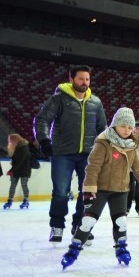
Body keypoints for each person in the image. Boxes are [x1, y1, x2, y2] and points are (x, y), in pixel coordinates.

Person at [60, 107, 139, 270]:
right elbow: (93, 167)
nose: (127, 130)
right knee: (88, 221)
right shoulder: (103, 143)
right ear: (115, 125)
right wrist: (89, 189)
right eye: (123, 126)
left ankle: (121, 248)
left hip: (121, 190)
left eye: (130, 127)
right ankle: (73, 249)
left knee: (121, 222)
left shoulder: (132, 146)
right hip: (100, 190)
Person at [34, 64, 107, 242]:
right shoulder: (58, 99)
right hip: (62, 154)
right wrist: (44, 140)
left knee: (88, 192)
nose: (84, 82)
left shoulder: (95, 102)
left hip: (88, 155)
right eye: (81, 78)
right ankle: (57, 226)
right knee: (60, 192)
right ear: (71, 79)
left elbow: (102, 128)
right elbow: (42, 119)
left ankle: (80, 226)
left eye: (87, 79)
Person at [4, 133, 32, 209]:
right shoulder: (15, 147)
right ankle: (10, 200)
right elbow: (14, 159)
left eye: (10, 140)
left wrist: (11, 170)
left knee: (24, 185)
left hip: (24, 170)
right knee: (13, 185)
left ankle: (26, 200)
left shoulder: (24, 147)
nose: (9, 141)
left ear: (15, 140)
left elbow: (21, 161)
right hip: (16, 169)